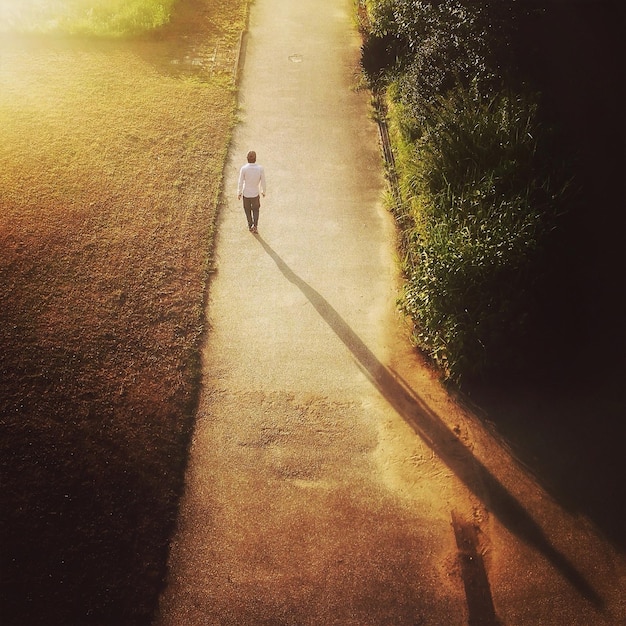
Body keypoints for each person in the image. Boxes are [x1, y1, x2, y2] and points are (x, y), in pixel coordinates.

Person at [237, 150, 266, 233]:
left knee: (247, 210)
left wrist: (239, 192)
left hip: (246, 194)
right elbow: (263, 181)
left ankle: (250, 225)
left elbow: (240, 181)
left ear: (247, 159)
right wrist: (263, 191)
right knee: (256, 210)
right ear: (255, 159)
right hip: (255, 194)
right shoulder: (260, 168)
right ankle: (255, 226)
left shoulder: (244, 168)